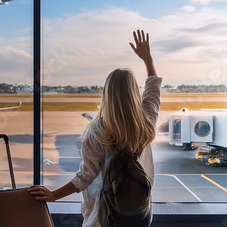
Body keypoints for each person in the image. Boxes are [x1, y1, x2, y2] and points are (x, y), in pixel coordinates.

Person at [27, 29, 162, 227]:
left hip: (104, 215)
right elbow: (153, 90)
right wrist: (148, 60)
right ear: (135, 94)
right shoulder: (146, 123)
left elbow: (85, 177)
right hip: (137, 213)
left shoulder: (97, 132)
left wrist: (54, 194)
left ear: (106, 95)